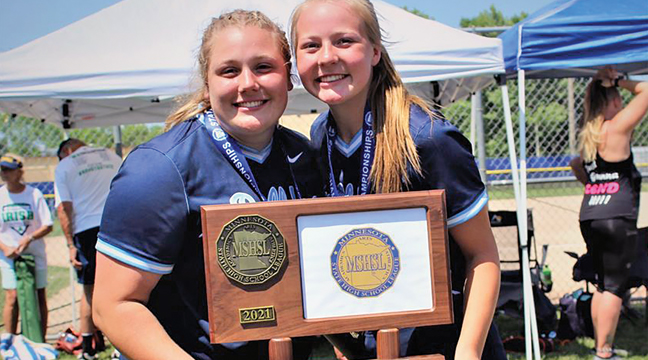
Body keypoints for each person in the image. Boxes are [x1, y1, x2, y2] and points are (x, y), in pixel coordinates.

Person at [92, 10, 322, 360]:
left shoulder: (303, 157)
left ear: (287, 77)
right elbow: (113, 306)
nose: (248, 83)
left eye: (263, 67)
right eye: (229, 70)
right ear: (207, 83)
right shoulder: (159, 169)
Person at [290, 1, 502, 359]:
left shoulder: (428, 140)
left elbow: (482, 256)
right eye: (311, 45)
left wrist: (467, 351)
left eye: (344, 41)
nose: (326, 57)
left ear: (375, 51)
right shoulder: (319, 136)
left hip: (443, 347)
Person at [572, 67, 648, 360]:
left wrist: (595, 187)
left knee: (603, 284)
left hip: (590, 215)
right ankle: (604, 353)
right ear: (614, 100)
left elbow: (575, 164)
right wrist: (619, 80)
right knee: (614, 287)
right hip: (617, 218)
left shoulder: (588, 134)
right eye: (618, 97)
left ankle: (602, 348)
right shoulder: (615, 128)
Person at [54, 139, 121, 359]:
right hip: (117, 221)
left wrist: (70, 245)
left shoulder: (65, 166)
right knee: (123, 288)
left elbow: (64, 208)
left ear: (66, 151)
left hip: (86, 229)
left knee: (89, 290)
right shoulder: (111, 155)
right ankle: (121, 346)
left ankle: (87, 349)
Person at [0, 154, 53, 338]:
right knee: (12, 296)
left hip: (34, 253)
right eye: (2, 169)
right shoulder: (1, 196)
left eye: (8, 169)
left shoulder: (33, 194)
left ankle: (40, 340)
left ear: (19, 172)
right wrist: (5, 247)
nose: (4, 173)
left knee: (38, 296)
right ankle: (10, 341)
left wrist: (29, 238)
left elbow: (48, 224)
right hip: (8, 255)